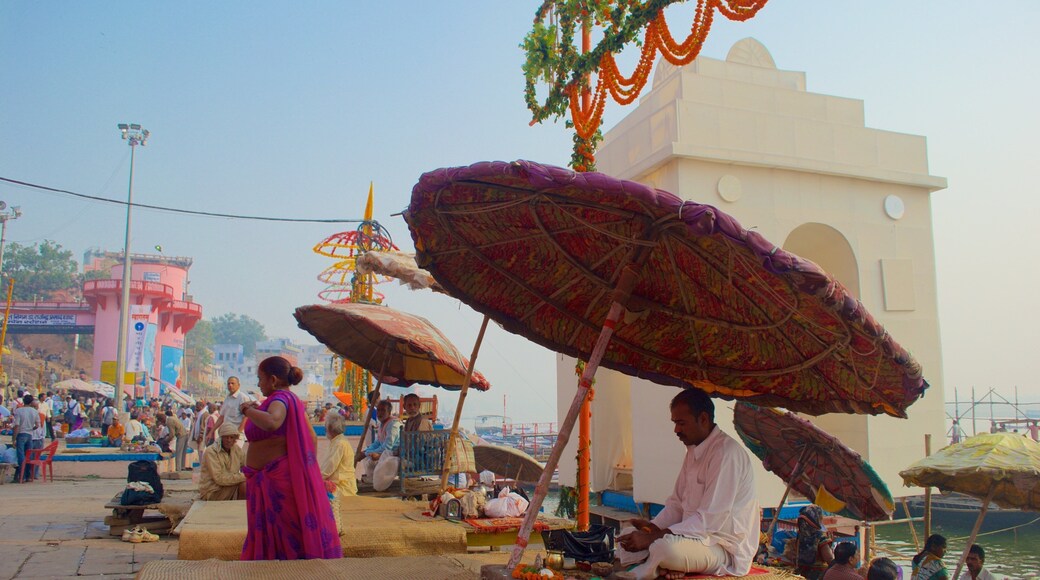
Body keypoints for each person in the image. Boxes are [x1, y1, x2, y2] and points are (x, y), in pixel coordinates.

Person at [616, 388, 758, 579]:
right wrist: (652, 527)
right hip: (691, 540)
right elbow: (676, 505)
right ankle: (664, 567)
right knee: (628, 536)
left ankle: (652, 569)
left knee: (664, 548)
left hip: (723, 548)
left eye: (681, 423)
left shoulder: (726, 454)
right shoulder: (693, 450)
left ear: (704, 419)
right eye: (675, 423)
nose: (676, 430)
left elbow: (709, 522)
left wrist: (652, 537)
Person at [238, 356, 340, 560]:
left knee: (285, 536)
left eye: (260, 379)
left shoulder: (280, 400)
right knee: (283, 535)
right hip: (270, 478)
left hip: (275, 479)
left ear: (273, 380)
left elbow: (272, 423)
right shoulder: (289, 401)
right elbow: (311, 436)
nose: (258, 384)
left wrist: (248, 410)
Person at [320, 413, 357, 534]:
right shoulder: (336, 441)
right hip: (338, 483)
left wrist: (314, 479)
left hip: (342, 487)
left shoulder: (339, 443)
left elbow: (328, 469)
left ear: (330, 428)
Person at [354, 399, 402, 492]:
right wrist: (365, 452)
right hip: (386, 452)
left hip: (394, 454)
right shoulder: (382, 424)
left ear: (389, 412)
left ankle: (377, 482)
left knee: (372, 458)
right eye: (378, 410)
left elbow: (387, 447)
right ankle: (372, 479)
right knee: (368, 456)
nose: (380, 413)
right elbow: (377, 442)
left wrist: (366, 454)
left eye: (383, 410)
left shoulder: (393, 425)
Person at [198, 423, 247, 501]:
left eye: (231, 437)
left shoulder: (236, 450)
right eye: (226, 437)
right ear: (221, 438)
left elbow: (247, 465)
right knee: (245, 485)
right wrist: (245, 476)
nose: (229, 440)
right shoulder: (211, 452)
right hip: (213, 490)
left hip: (228, 486)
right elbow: (219, 479)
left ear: (235, 439)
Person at [793, 504, 834, 579]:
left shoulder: (800, 534)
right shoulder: (821, 536)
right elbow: (829, 559)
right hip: (818, 574)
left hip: (802, 573)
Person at [209, 377, 252, 445]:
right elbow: (222, 417)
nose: (230, 385)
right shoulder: (227, 398)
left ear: (238, 385)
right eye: (228, 383)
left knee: (233, 455)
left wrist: (238, 433)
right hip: (226, 433)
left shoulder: (242, 397)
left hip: (236, 435)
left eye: (232, 383)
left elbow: (246, 417)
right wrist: (211, 432)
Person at [12, 394, 40, 483]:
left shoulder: (19, 411)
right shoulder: (34, 411)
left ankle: (22, 476)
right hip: (29, 435)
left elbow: (16, 426)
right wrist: (31, 428)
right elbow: (37, 425)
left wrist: (13, 438)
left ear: (23, 401)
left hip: (21, 434)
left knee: (21, 456)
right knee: (28, 456)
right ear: (31, 402)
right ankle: (28, 476)